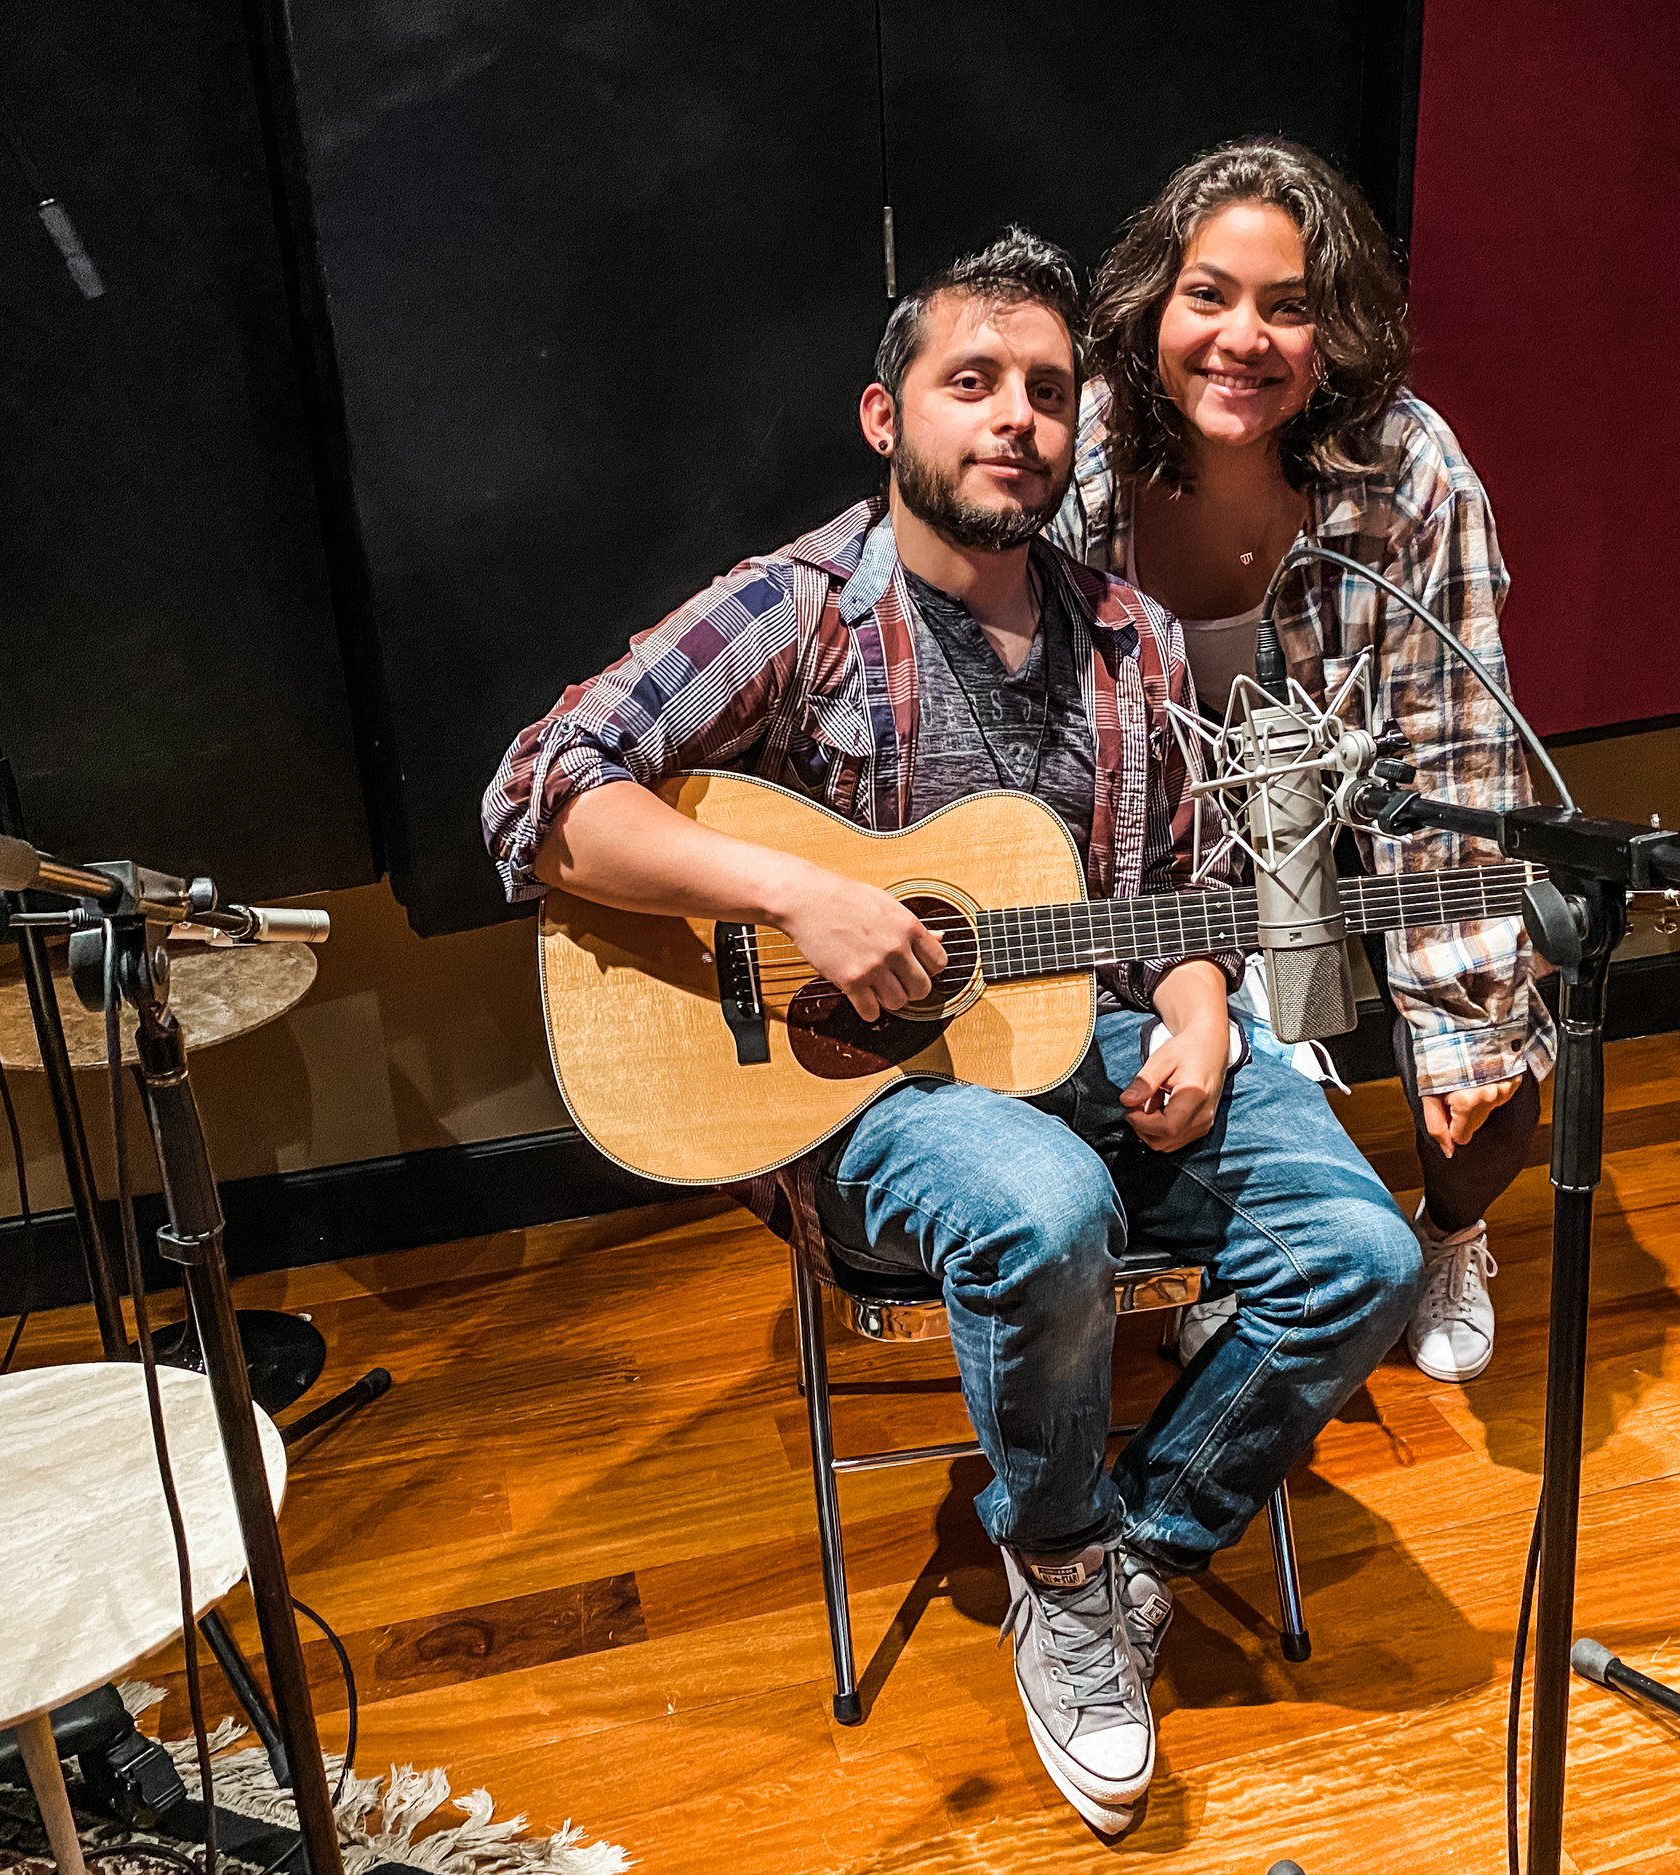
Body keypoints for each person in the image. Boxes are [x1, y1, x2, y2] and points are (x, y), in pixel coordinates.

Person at [483, 230, 1420, 1834]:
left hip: (1092, 1040)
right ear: (886, 414)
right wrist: (799, 893)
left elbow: (1178, 889)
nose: (1015, 420)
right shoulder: (796, 608)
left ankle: (1126, 1554)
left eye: (1047, 393)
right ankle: (1056, 1549)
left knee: (1366, 1253)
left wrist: (1200, 1009)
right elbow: (536, 796)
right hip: (862, 1099)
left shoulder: (1127, 633)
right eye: (971, 382)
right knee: (1046, 1205)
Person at [1054, 138, 1552, 1387]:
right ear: (1152, 304)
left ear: (1339, 332)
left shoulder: (1410, 470)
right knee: (1194, 1069)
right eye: (1208, 295)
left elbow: (1454, 755)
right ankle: (1254, 1250)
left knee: (1493, 1095)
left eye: (1290, 307)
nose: (1244, 338)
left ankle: (1449, 1238)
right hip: (1158, 824)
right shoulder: (1087, 448)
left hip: (1356, 803)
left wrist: (1465, 1028)